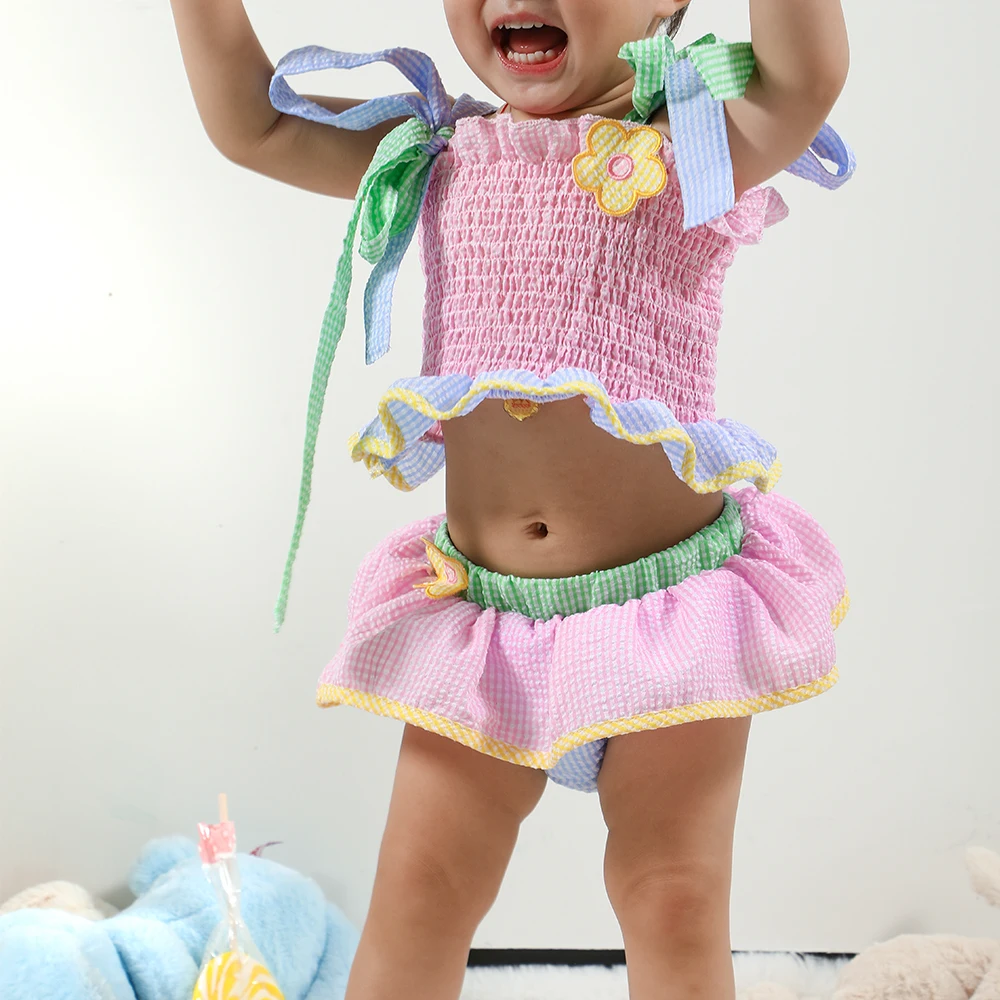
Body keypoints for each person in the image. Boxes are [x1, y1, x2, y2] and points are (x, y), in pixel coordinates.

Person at [169, 1, 854, 997]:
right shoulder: (439, 155)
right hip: (485, 616)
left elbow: (803, 78)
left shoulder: (697, 146)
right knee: (424, 886)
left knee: (671, 888)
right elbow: (255, 123)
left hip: (668, 612)